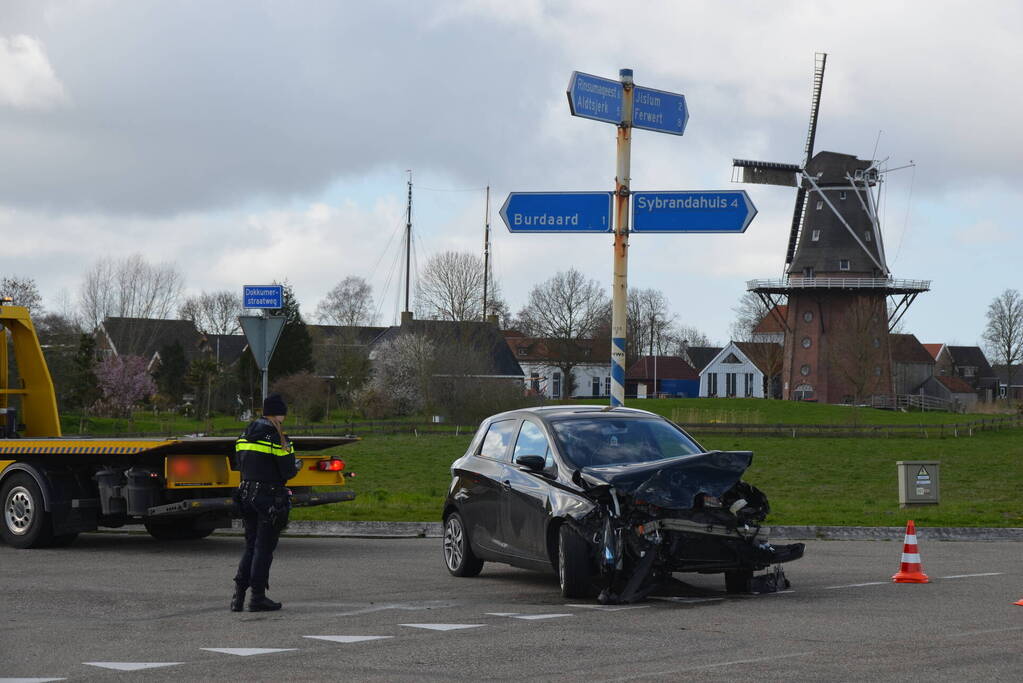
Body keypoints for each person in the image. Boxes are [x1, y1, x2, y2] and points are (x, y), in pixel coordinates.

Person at [231, 393, 299, 612]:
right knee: (264, 549)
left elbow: (238, 465)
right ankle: (257, 598)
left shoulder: (244, 436)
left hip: (246, 495)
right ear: (280, 414)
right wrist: (295, 465)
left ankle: (238, 598)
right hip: (269, 499)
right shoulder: (278, 438)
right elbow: (288, 471)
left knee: (250, 546)